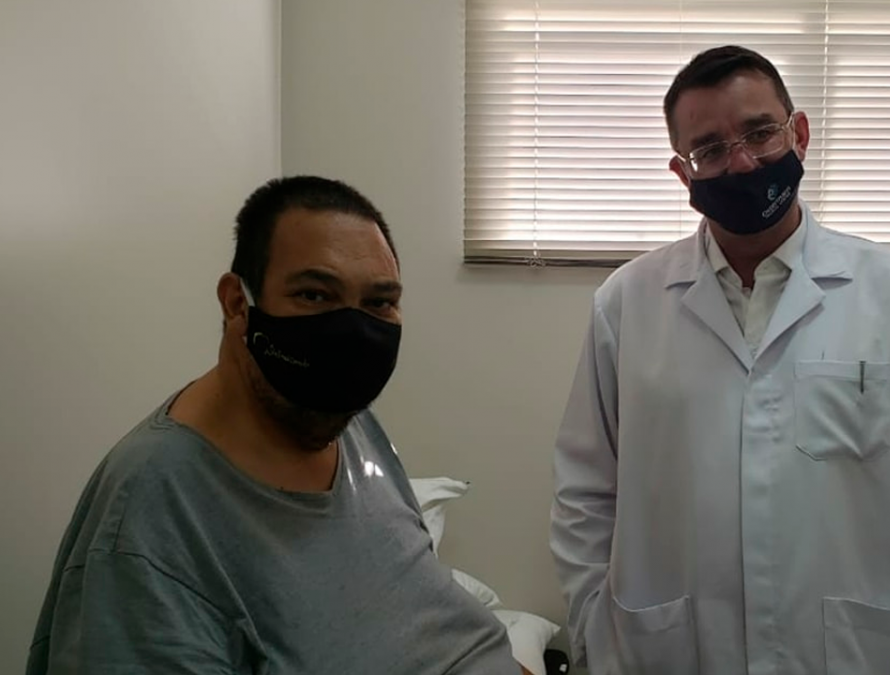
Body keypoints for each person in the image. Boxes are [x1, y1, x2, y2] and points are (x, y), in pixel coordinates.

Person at [549, 45, 890, 675]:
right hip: (669, 651)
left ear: (800, 134)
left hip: (862, 654)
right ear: (683, 174)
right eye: (710, 149)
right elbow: (585, 493)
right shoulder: (626, 304)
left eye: (760, 133)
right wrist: (599, 635)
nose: (741, 161)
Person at [27, 176, 522, 675]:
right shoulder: (152, 526)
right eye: (314, 294)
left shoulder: (345, 424)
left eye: (379, 302)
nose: (353, 336)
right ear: (236, 304)